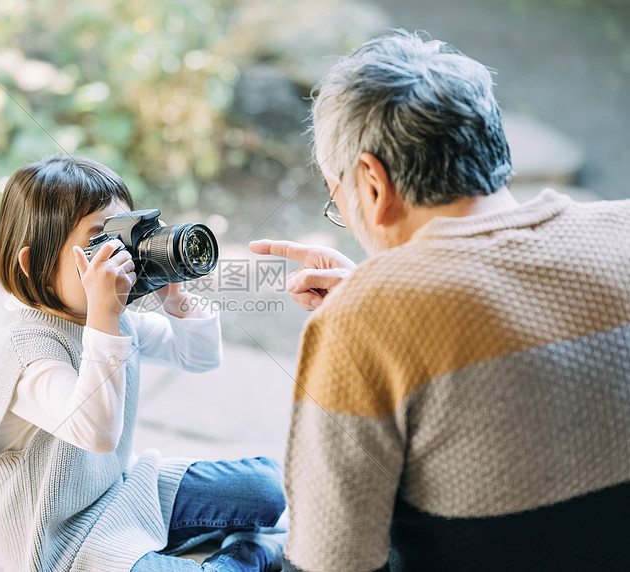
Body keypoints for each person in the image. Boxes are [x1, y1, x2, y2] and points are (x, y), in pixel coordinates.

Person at [250, 30, 630, 572]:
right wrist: (394, 300)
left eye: (338, 198)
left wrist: (373, 313)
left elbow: (329, 562)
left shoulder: (362, 321)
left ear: (372, 183)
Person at [0, 154, 287, 572]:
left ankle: (219, 544)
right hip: (65, 543)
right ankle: (253, 551)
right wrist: (105, 314)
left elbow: (199, 357)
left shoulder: (107, 317)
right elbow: (97, 432)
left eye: (125, 237)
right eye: (102, 244)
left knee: (266, 487)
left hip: (123, 490)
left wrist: (174, 295)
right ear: (36, 267)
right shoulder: (29, 354)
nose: (123, 259)